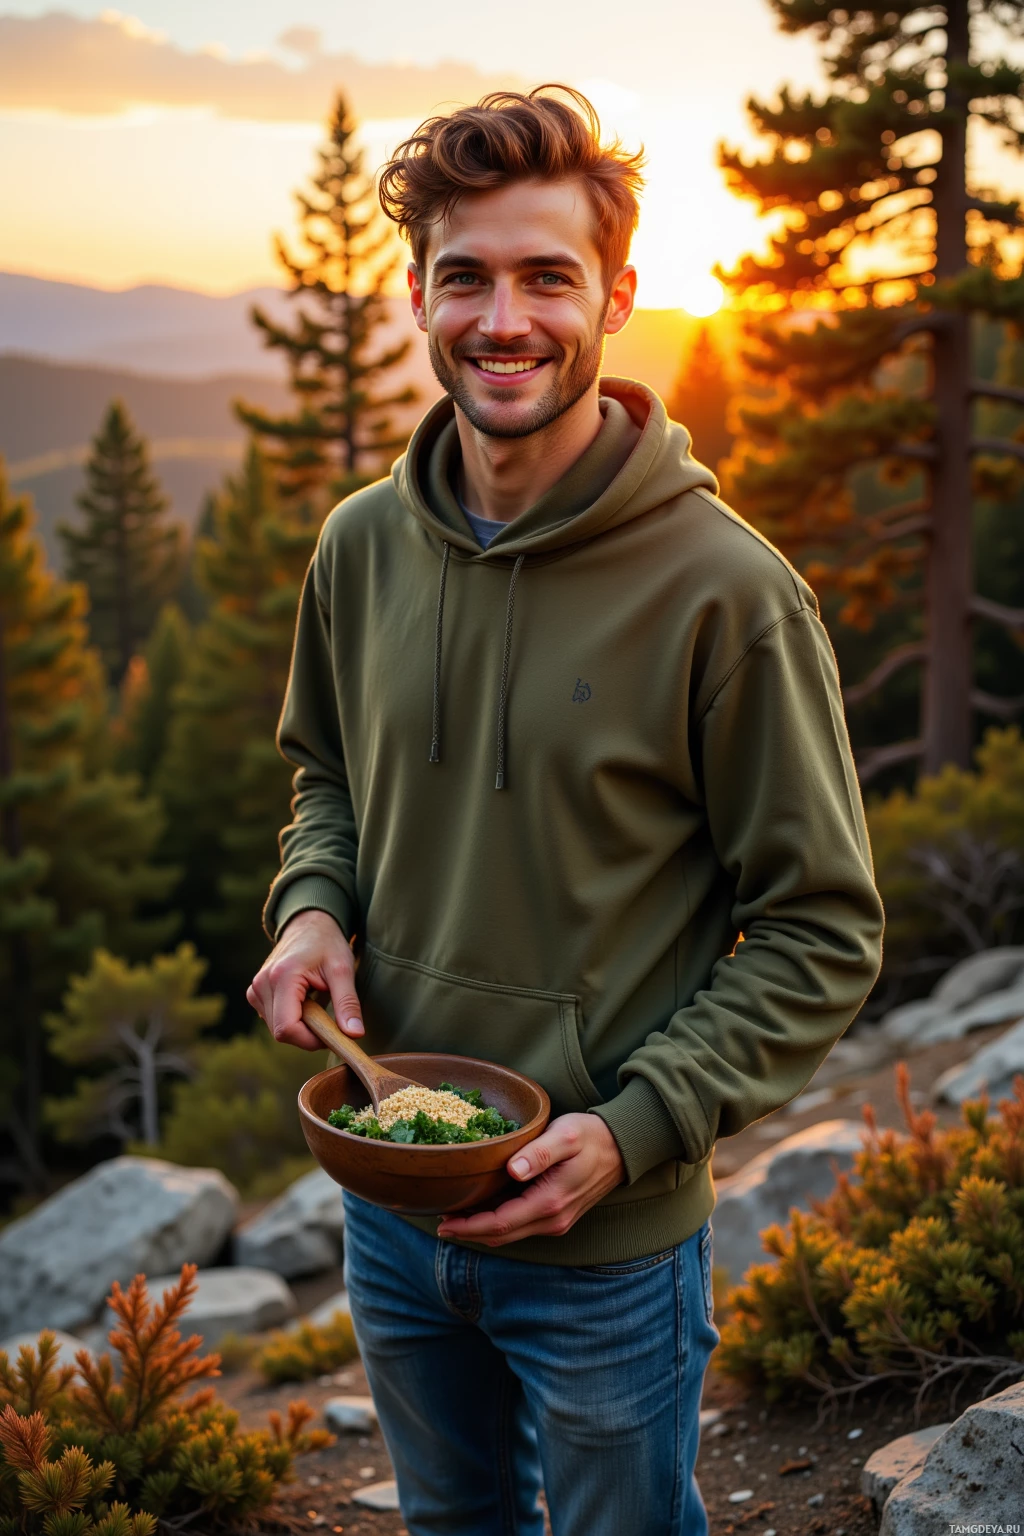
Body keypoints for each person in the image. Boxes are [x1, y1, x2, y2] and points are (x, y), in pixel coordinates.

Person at [248, 85, 884, 1536]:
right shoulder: (359, 547)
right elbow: (329, 780)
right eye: (465, 276)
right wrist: (311, 909)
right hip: (392, 1198)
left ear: (619, 295)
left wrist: (638, 1122)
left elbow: (823, 930)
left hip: (606, 1237)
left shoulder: (729, 594)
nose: (503, 318)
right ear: (416, 291)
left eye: (549, 276)